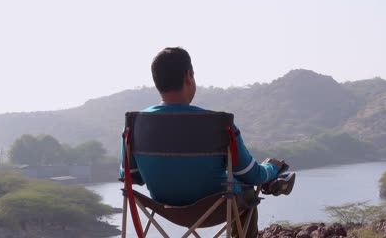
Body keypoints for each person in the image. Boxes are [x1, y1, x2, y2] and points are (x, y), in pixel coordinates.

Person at [120, 47, 284, 237]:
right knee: (248, 191)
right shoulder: (220, 124)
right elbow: (251, 175)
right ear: (188, 76)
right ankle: (276, 183)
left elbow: (131, 177)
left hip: (164, 207)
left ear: (157, 81)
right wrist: (271, 169)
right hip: (216, 207)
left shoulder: (134, 125)